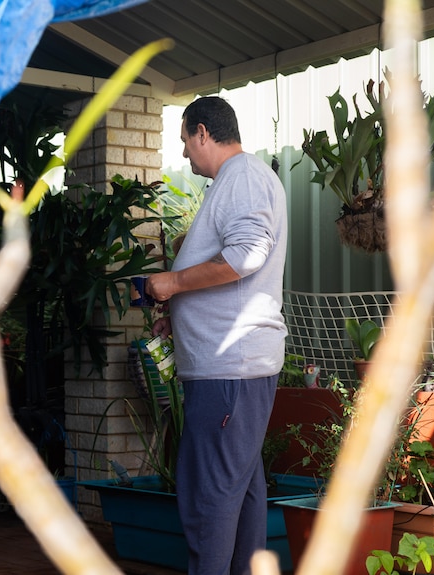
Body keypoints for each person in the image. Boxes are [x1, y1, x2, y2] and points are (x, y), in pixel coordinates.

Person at [145, 96, 288, 575]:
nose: (185, 153)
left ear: (203, 132)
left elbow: (248, 254)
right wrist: (180, 310)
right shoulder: (239, 179)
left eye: (185, 140)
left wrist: (173, 284)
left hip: (230, 369)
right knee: (240, 492)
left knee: (209, 497)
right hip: (233, 368)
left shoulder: (243, 177)